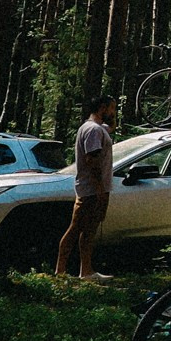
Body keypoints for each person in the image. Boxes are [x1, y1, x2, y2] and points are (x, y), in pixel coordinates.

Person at [56, 97, 116, 280]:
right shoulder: (92, 130)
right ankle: (60, 271)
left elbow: (111, 127)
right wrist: (99, 189)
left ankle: (87, 271)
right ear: (102, 108)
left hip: (97, 189)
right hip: (90, 190)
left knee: (89, 230)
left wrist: (111, 116)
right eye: (112, 108)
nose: (114, 112)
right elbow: (92, 160)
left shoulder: (98, 129)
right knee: (76, 228)